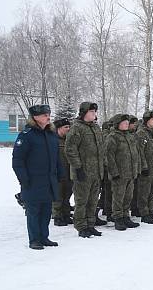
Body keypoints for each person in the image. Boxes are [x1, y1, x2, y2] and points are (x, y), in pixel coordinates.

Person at [12, 104, 62, 249]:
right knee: (33, 212)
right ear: (35, 117)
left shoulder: (51, 134)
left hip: (49, 180)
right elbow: (17, 160)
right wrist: (24, 179)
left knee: (46, 210)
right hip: (32, 181)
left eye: (48, 114)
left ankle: (44, 237)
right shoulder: (26, 135)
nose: (48, 117)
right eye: (44, 115)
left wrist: (60, 173)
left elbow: (56, 157)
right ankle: (34, 239)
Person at [65, 102, 105, 238]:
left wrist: (102, 167)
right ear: (84, 113)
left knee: (93, 200)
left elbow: (101, 149)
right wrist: (78, 167)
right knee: (82, 201)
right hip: (83, 172)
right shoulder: (77, 128)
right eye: (91, 112)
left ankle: (90, 224)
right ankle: (81, 226)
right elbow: (70, 150)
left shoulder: (95, 128)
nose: (94, 114)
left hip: (96, 172)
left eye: (95, 112)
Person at [105, 114, 144, 231]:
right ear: (118, 124)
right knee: (118, 197)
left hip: (130, 173)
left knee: (128, 197)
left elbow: (135, 154)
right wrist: (114, 172)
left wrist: (136, 169)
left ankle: (126, 216)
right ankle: (118, 218)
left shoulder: (130, 136)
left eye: (127, 122)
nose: (127, 124)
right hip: (119, 174)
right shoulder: (112, 137)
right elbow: (108, 156)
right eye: (124, 122)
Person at [135, 110, 153, 224]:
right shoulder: (141, 134)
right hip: (146, 169)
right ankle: (144, 213)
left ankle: (151, 211)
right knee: (144, 192)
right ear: (147, 121)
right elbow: (139, 152)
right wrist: (144, 167)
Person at [52, 117, 74, 226]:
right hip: (57, 173)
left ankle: (66, 214)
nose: (68, 129)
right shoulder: (53, 140)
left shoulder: (69, 140)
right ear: (59, 128)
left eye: (69, 127)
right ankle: (57, 216)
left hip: (69, 171)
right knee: (58, 196)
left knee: (67, 194)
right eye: (66, 127)